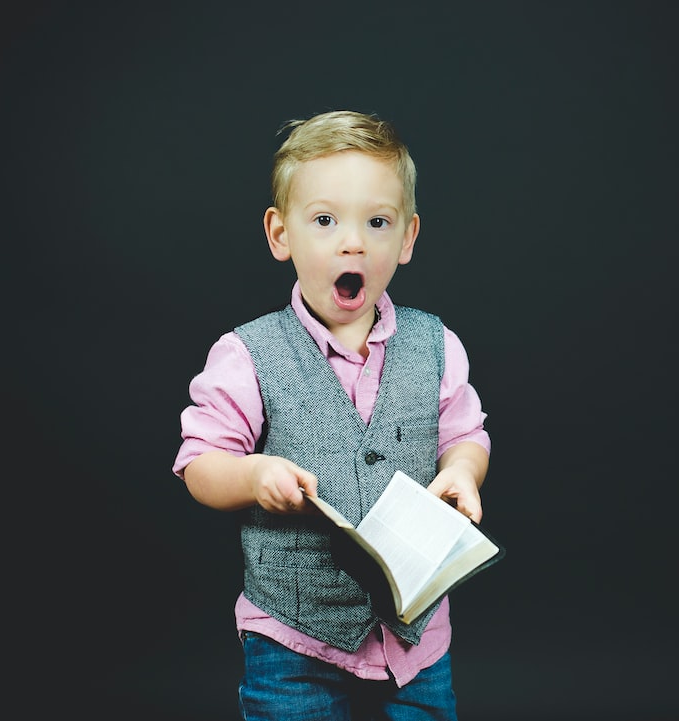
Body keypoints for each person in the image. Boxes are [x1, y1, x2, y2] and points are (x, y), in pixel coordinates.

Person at [172, 109, 491, 721]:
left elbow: (465, 433)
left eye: (377, 222)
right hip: (293, 639)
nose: (354, 242)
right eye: (324, 221)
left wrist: (463, 471)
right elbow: (198, 464)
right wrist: (252, 475)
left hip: (416, 641)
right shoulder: (247, 354)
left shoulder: (437, 345)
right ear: (280, 234)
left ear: (408, 238)